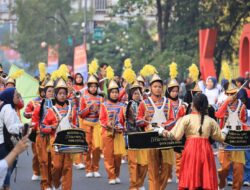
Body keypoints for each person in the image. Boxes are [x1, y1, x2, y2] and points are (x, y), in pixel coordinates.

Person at [162, 93, 228, 190]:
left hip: (190, 151)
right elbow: (221, 138)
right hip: (206, 152)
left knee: (191, 177)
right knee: (205, 178)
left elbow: (175, 136)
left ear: (193, 105)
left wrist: (162, 131)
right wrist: (226, 130)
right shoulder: (210, 121)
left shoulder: (186, 119)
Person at [137, 74, 175, 190]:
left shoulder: (168, 102)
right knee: (153, 169)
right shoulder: (144, 103)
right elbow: (138, 121)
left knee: (167, 167)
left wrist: (162, 126)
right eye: (155, 86)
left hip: (165, 138)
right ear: (151, 88)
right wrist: (145, 119)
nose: (157, 88)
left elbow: (173, 120)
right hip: (151, 139)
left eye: (159, 86)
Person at [42, 78, 76, 190]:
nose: (62, 96)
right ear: (55, 95)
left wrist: (75, 128)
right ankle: (56, 183)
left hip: (69, 141)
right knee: (56, 166)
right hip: (55, 142)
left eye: (64, 93)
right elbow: (43, 126)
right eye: (60, 93)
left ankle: (66, 187)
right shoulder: (51, 110)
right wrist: (51, 127)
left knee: (68, 167)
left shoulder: (71, 108)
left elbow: (75, 123)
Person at [215, 83, 248, 190]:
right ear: (226, 93)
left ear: (236, 94)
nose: (231, 95)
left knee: (238, 168)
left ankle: (236, 188)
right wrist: (226, 102)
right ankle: (222, 181)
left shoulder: (242, 106)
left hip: (238, 140)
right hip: (225, 140)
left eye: (233, 93)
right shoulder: (222, 104)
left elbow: (243, 121)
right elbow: (218, 115)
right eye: (228, 93)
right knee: (224, 168)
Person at [119, 81, 148, 190]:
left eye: (139, 93)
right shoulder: (125, 106)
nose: (137, 95)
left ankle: (140, 184)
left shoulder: (146, 105)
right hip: (132, 136)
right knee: (133, 163)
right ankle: (133, 186)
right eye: (135, 93)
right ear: (131, 94)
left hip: (144, 136)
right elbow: (120, 121)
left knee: (144, 163)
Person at [99, 79, 126, 185]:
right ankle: (111, 176)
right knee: (109, 155)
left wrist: (121, 127)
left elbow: (124, 120)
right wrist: (108, 124)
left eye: (116, 92)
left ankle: (117, 174)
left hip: (118, 133)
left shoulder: (122, 105)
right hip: (107, 133)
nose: (114, 94)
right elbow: (101, 119)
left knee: (118, 156)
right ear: (109, 93)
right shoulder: (104, 105)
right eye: (112, 92)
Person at [78, 75, 103, 178]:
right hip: (86, 125)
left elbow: (103, 114)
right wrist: (89, 109)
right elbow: (80, 113)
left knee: (97, 147)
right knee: (87, 147)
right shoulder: (84, 97)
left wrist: (98, 111)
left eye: (95, 86)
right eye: (91, 86)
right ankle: (88, 169)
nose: (93, 88)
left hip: (97, 125)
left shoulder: (100, 98)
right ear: (88, 87)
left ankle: (95, 168)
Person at [32, 80, 54, 190]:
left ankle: (52, 183)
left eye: (53, 91)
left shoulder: (58, 107)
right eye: (49, 91)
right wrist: (41, 129)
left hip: (54, 137)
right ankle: (45, 185)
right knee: (44, 161)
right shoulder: (38, 107)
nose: (51, 93)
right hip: (42, 137)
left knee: (54, 162)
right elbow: (34, 122)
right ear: (44, 93)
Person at [0, 88, 24, 190]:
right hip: (4, 143)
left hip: (4, 143)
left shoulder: (8, 107)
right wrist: (24, 126)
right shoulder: (8, 109)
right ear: (10, 97)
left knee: (7, 168)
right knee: (7, 169)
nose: (17, 97)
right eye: (15, 95)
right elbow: (11, 128)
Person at [165, 78, 187, 183]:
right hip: (167, 131)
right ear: (168, 91)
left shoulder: (182, 103)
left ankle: (179, 175)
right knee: (168, 154)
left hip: (179, 132)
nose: (174, 93)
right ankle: (168, 175)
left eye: (176, 91)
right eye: (172, 91)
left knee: (179, 154)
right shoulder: (164, 102)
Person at [24, 85, 45, 181]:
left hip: (50, 131)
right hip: (36, 131)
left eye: (49, 91)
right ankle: (36, 172)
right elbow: (26, 113)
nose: (46, 93)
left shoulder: (54, 102)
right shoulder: (33, 102)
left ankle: (48, 174)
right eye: (44, 91)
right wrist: (35, 112)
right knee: (37, 154)